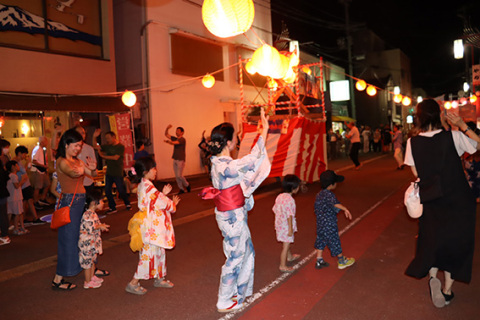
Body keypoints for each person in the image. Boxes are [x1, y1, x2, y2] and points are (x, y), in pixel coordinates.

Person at [404, 99, 480, 308]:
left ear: (419, 118)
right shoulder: (453, 137)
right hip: (458, 199)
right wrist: (463, 126)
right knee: (455, 243)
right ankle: (447, 290)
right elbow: (478, 145)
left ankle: (432, 277)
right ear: (439, 116)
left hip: (432, 199)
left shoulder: (413, 143)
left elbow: (416, 172)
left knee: (432, 239)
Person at [201, 108, 271, 312]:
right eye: (236, 138)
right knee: (235, 256)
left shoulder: (218, 162)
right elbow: (254, 158)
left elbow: (248, 163)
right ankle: (224, 299)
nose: (237, 140)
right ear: (229, 142)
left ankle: (238, 291)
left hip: (231, 214)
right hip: (232, 217)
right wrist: (264, 130)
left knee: (246, 251)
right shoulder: (227, 166)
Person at [125, 157, 180, 295]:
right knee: (148, 255)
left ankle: (159, 277)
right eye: (153, 168)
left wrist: (163, 195)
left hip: (151, 225)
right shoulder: (148, 186)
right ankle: (133, 282)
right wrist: (172, 203)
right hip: (151, 227)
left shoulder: (144, 184)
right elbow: (162, 202)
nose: (155, 171)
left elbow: (155, 200)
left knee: (158, 252)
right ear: (146, 171)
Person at [51, 129, 97, 291]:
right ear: (66, 144)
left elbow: (91, 173)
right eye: (76, 145)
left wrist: (92, 168)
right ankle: (58, 278)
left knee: (83, 238)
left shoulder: (78, 161)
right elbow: (70, 173)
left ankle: (86, 269)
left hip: (80, 203)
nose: (78, 149)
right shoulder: (62, 161)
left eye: (80, 145)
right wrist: (79, 171)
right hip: (69, 203)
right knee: (68, 241)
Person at [314, 170, 355, 270]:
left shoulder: (319, 194)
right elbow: (334, 204)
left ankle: (319, 260)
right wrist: (344, 208)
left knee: (321, 240)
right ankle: (341, 261)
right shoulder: (329, 195)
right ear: (331, 184)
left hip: (320, 224)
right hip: (329, 224)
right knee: (334, 240)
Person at [93, 130, 131, 214]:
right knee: (107, 190)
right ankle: (112, 207)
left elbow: (116, 157)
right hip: (109, 172)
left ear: (114, 137)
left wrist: (103, 156)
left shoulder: (120, 146)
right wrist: (94, 136)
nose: (107, 140)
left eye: (108, 138)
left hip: (117, 172)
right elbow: (95, 147)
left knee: (120, 190)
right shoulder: (107, 146)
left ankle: (127, 203)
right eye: (106, 138)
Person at [79, 189, 110, 289]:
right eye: (101, 201)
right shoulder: (87, 214)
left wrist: (100, 225)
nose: (103, 203)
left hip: (92, 243)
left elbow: (94, 225)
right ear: (94, 202)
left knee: (92, 261)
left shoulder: (92, 213)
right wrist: (99, 226)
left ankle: (91, 277)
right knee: (88, 263)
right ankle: (87, 282)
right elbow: (90, 227)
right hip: (87, 244)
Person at [272, 174, 301, 273]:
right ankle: (283, 265)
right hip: (286, 226)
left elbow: (275, 209)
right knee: (286, 246)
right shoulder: (290, 200)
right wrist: (290, 229)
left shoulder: (279, 196)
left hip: (279, 225)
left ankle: (290, 256)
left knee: (286, 243)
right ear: (293, 188)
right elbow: (290, 215)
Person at [14, 146, 43, 225]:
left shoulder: (19, 161)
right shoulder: (15, 161)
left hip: (25, 184)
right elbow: (22, 171)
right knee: (27, 201)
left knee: (28, 201)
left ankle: (26, 218)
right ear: (19, 153)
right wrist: (28, 163)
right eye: (24, 154)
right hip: (23, 185)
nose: (24, 156)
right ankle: (32, 218)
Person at [164, 125, 190, 194]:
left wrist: (168, 142)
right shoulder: (175, 138)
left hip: (180, 159)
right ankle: (181, 189)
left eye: (178, 131)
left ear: (182, 132)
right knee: (177, 176)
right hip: (175, 158)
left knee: (179, 175)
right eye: (176, 130)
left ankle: (187, 185)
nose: (177, 132)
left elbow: (174, 143)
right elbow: (166, 134)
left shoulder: (182, 139)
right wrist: (167, 128)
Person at [6, 160, 28, 235]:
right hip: (15, 198)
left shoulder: (11, 175)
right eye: (17, 165)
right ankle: (16, 229)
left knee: (19, 213)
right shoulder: (13, 175)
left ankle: (22, 227)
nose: (18, 167)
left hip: (16, 197)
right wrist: (22, 180)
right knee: (17, 214)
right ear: (13, 167)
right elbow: (16, 186)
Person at [75, 126, 97, 195]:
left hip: (88, 182)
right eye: (78, 133)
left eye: (83, 133)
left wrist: (93, 169)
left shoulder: (89, 148)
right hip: (75, 184)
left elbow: (94, 171)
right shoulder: (70, 148)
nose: (81, 135)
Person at [30, 136, 51, 208]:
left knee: (47, 184)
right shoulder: (37, 149)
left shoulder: (43, 150)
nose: (47, 143)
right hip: (38, 170)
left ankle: (42, 198)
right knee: (37, 187)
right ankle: (35, 202)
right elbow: (34, 161)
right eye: (46, 141)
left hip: (42, 170)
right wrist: (42, 166)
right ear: (42, 142)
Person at [0, 161, 10, 245]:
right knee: (3, 214)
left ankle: (4, 236)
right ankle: (4, 235)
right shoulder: (2, 170)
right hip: (3, 193)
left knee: (2, 215)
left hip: (1, 194)